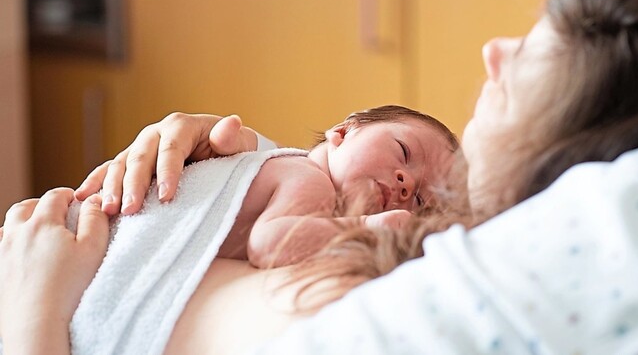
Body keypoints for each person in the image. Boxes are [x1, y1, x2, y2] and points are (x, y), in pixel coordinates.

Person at [3, 0, 638, 354]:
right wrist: (221, 167)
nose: (492, 51)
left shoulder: (438, 309)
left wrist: (32, 312)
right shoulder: (408, 245)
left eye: (523, 65)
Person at [81, 104, 459, 269]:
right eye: (403, 151)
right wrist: (368, 228)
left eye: (422, 200)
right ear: (343, 132)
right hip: (97, 233)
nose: (406, 183)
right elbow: (269, 244)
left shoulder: (280, 167)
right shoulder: (308, 181)